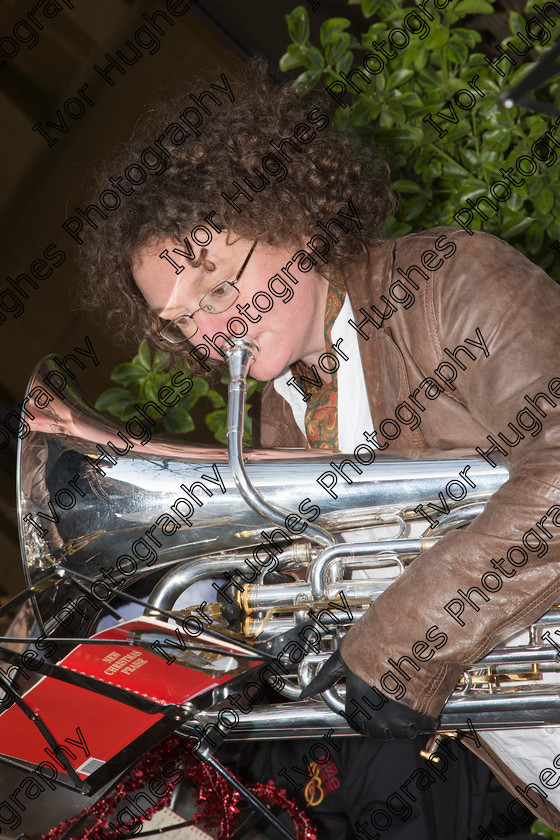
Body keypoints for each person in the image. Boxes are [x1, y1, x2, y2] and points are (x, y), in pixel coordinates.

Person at [83, 61, 559, 837]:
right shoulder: (277, 416)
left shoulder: (449, 284)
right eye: (178, 322)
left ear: (296, 224)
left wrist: (404, 641)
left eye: (218, 291)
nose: (207, 334)